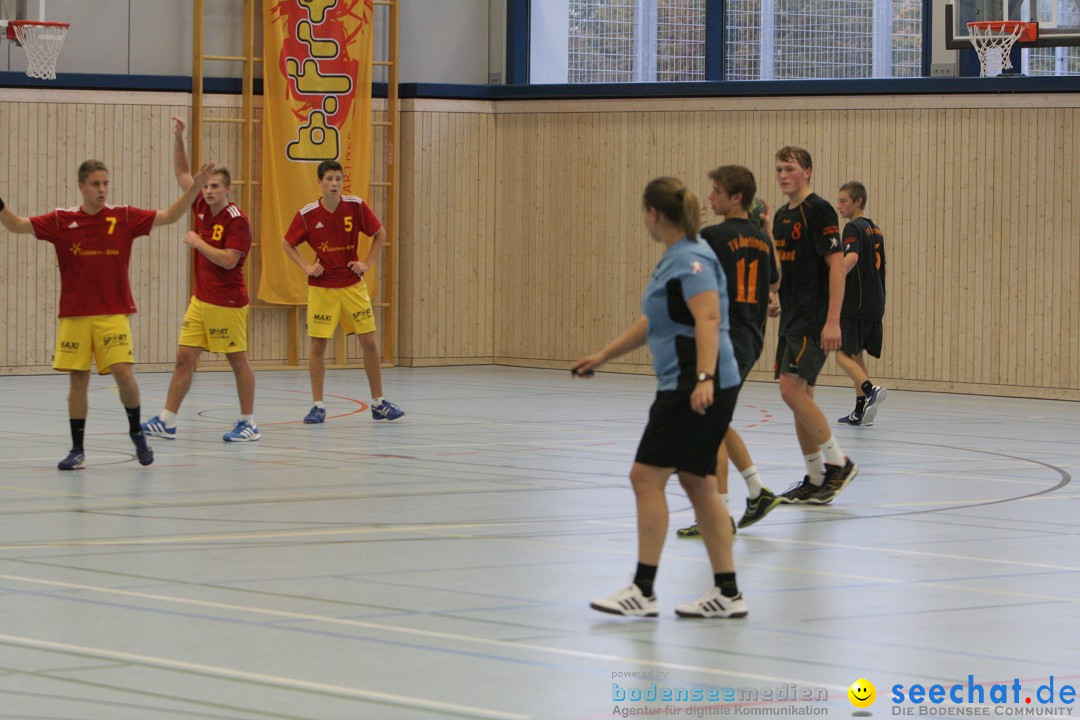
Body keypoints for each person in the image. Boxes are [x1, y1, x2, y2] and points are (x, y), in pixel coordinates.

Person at [573, 176, 748, 619]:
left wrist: (704, 379)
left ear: (654, 214)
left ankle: (643, 590)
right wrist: (603, 355)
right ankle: (727, 593)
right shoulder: (675, 258)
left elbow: (707, 319)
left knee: (645, 477)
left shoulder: (691, 260)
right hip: (690, 381)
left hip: (695, 384)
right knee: (697, 481)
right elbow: (653, 322)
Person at [0, 158, 215, 469]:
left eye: (105, 183)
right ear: (82, 187)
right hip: (74, 314)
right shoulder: (62, 220)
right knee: (78, 379)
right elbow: (16, 224)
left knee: (123, 374)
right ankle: (77, 450)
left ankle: (136, 432)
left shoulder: (123, 217)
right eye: (96, 184)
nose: (102, 190)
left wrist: (195, 188)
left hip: (112, 312)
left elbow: (170, 216)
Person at [677, 165, 782, 538]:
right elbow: (773, 282)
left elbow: (691, 273)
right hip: (751, 338)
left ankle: (716, 514)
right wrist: (766, 233)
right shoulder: (759, 237)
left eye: (717, 191)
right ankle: (757, 492)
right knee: (718, 419)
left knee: (709, 423)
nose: (711, 197)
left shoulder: (714, 237)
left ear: (736, 197)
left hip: (725, 338)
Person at [142, 117, 259, 443]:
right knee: (184, 358)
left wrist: (198, 243)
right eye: (205, 186)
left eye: (214, 186)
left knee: (237, 361)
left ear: (227, 189)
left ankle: (249, 422)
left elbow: (228, 260)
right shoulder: (200, 205)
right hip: (201, 299)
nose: (207, 191)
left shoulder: (237, 220)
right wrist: (179, 136)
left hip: (228, 302)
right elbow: (182, 174)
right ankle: (167, 420)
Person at [281, 160, 404, 423]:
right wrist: (306, 266)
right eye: (329, 179)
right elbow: (287, 244)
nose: (334, 184)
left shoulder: (355, 206)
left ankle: (379, 403)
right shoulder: (308, 214)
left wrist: (367, 263)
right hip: (323, 288)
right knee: (317, 345)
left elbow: (380, 233)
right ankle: (318, 406)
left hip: (352, 284)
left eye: (338, 178)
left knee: (369, 341)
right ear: (320, 183)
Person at [771, 146, 858, 505]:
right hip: (791, 318)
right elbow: (782, 266)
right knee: (800, 397)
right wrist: (773, 294)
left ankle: (839, 463)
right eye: (778, 169)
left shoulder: (819, 210)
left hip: (814, 318)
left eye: (789, 168)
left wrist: (833, 321)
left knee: (790, 391)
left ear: (807, 171)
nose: (782, 175)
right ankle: (815, 476)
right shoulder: (780, 215)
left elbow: (836, 266)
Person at [834, 181, 887, 426]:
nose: (839, 205)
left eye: (844, 200)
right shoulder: (873, 229)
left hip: (856, 302)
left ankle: (870, 390)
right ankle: (860, 411)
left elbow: (852, 258)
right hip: (875, 301)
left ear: (858, 202)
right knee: (855, 354)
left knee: (841, 354)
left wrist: (832, 281)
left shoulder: (853, 228)